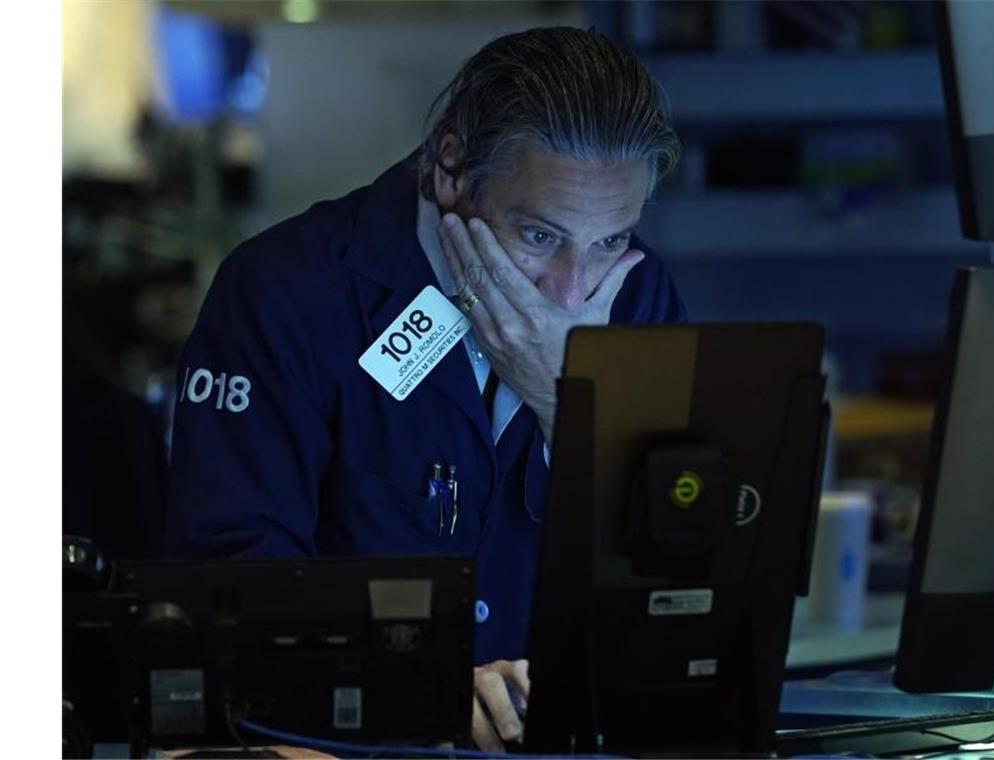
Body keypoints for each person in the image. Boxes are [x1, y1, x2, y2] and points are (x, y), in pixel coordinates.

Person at [165, 26, 686, 750]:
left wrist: (565, 401)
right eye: (538, 236)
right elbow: (230, 594)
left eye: (606, 240)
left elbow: (677, 572)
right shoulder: (286, 292)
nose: (570, 290)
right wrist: (422, 695)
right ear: (449, 168)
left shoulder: (635, 292)